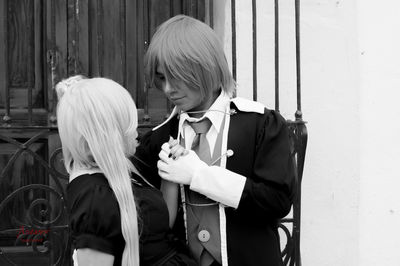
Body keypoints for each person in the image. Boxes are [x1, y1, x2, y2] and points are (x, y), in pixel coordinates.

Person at [133, 15, 295, 266]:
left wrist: (199, 175)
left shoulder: (261, 124)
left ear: (205, 67)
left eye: (175, 76)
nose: (167, 89)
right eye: (161, 78)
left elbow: (277, 201)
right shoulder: (158, 139)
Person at [56, 76, 196, 266]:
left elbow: (158, 229)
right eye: (129, 125)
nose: (136, 132)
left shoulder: (114, 174)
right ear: (108, 133)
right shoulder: (95, 197)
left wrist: (171, 173)